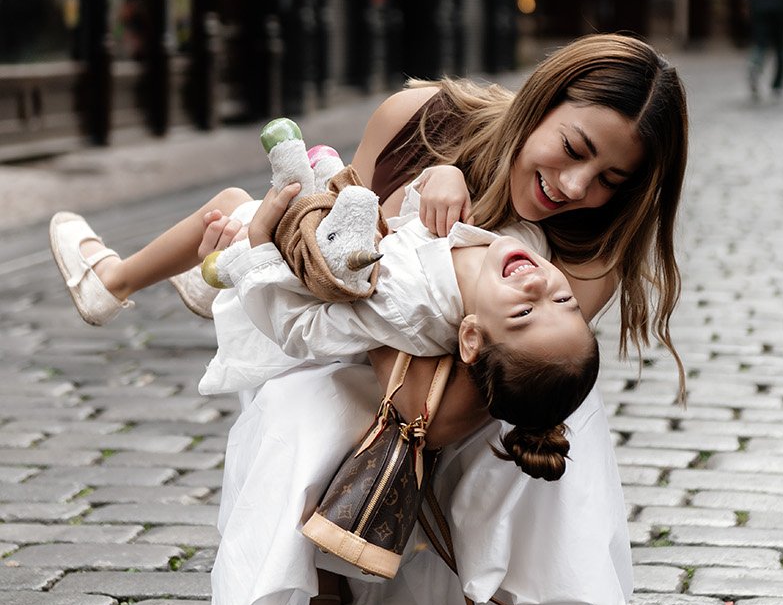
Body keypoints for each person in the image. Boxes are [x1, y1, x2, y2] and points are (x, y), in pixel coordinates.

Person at [210, 33, 688, 605]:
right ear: (542, 102)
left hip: (464, 395)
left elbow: (435, 422)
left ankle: (546, 604)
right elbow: (336, 255)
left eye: (611, 179)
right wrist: (271, 243)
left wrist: (401, 295)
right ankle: (317, 579)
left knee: (554, 413)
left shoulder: (592, 241)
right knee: (305, 397)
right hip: (347, 352)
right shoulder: (416, 119)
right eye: (575, 149)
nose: (577, 186)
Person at [49, 170, 600, 482]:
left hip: (283, 277)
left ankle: (112, 283)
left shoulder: (404, 308)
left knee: (232, 203)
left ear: (472, 337)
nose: (541, 289)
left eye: (526, 312)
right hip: (330, 237)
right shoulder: (523, 249)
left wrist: (258, 252)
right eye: (564, 301)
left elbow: (303, 330)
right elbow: (412, 220)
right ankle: (204, 277)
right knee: (233, 215)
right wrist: (442, 178)